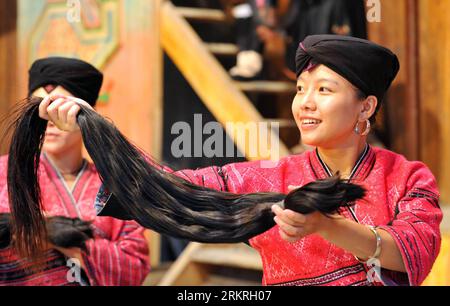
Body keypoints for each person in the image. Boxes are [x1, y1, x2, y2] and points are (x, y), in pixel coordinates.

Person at [37, 36, 442, 286]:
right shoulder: (267, 176)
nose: (306, 103)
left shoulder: (407, 177)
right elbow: (168, 184)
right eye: (300, 89)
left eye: (324, 89)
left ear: (365, 106)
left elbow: (410, 249)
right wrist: (94, 126)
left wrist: (325, 226)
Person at [0, 57, 150, 286]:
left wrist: (68, 241)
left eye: (60, 107)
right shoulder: (5, 173)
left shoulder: (116, 186)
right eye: (39, 107)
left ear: (85, 113)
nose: (49, 120)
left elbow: (134, 269)